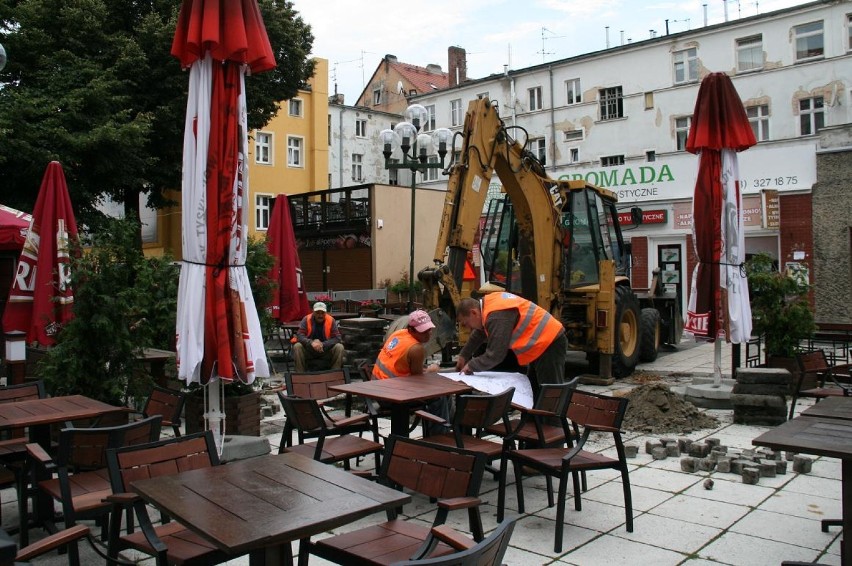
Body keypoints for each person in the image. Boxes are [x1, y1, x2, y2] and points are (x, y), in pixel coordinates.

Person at [455, 292, 568, 393]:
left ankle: (551, 417)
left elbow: (495, 355)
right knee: (534, 393)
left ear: (473, 313)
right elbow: (479, 333)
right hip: (542, 343)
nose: (469, 328)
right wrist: (464, 355)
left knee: (549, 396)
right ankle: (535, 416)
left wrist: (471, 365)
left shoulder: (496, 316)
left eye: (466, 324)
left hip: (549, 342)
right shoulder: (488, 304)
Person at [372, 309, 448, 434]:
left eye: (429, 329)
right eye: (423, 331)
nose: (428, 334)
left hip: (377, 389)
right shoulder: (416, 349)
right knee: (440, 396)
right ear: (411, 329)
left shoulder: (399, 334)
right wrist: (431, 370)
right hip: (391, 397)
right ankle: (439, 437)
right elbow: (418, 380)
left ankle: (444, 429)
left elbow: (406, 368)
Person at [291, 302, 345, 372]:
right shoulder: (306, 319)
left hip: (325, 350)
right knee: (297, 346)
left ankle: (334, 373)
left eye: (322, 313)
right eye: (317, 313)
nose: (320, 315)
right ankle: (300, 375)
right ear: (313, 312)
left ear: (326, 313)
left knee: (339, 347)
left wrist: (322, 344)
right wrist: (311, 343)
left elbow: (337, 338)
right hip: (309, 350)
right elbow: (300, 335)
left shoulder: (331, 320)